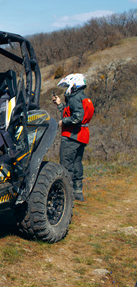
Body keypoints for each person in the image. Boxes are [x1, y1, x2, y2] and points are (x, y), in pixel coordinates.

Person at [52, 73, 94, 201]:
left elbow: (77, 117)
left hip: (72, 136)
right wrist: (59, 104)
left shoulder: (75, 98)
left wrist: (62, 122)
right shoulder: (82, 97)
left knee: (66, 164)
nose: (66, 89)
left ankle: (66, 194)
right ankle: (77, 192)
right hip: (81, 135)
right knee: (77, 163)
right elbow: (69, 112)